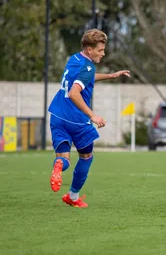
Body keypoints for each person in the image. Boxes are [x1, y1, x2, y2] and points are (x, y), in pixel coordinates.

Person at [48, 29, 130, 208]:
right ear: (89, 49)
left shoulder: (74, 59)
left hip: (57, 116)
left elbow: (85, 78)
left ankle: (59, 164)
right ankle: (73, 196)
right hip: (77, 121)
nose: (103, 53)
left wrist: (111, 75)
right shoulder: (88, 66)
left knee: (64, 158)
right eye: (100, 50)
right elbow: (74, 93)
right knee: (86, 157)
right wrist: (93, 115)